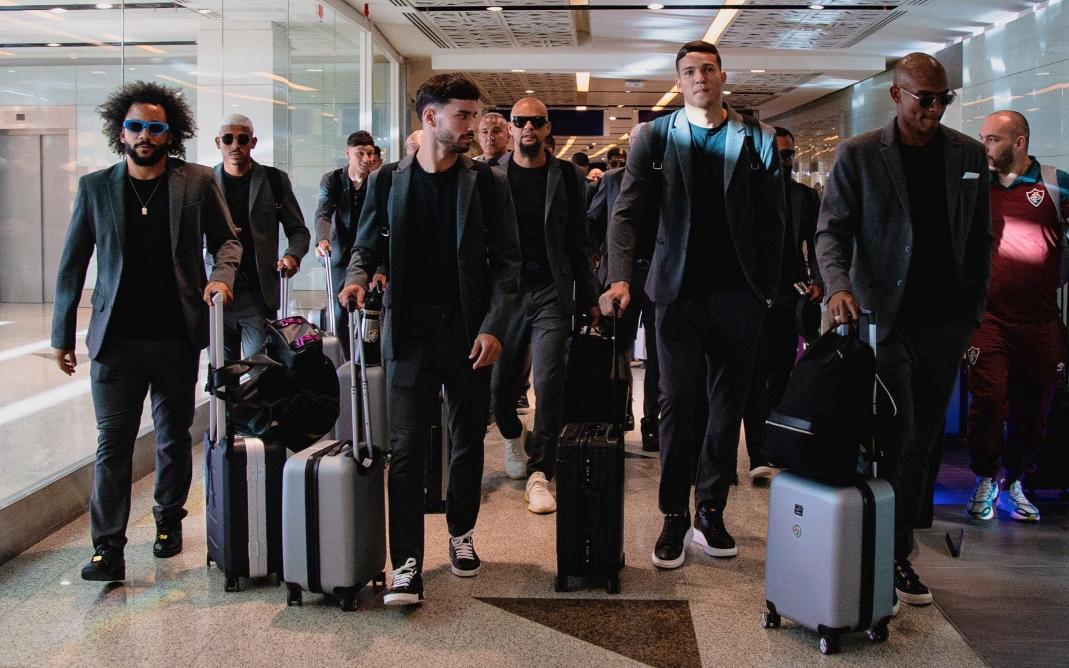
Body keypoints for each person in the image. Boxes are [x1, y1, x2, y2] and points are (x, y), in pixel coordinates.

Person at [600, 40, 786, 569]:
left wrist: (767, 288)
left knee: (727, 411)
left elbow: (776, 220)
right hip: (677, 294)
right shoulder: (655, 138)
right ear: (679, 82)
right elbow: (627, 214)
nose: (700, 77)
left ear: (723, 76)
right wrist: (619, 277)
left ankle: (709, 508)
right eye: (689, 71)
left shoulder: (757, 138)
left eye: (708, 68)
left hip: (739, 295)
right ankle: (672, 516)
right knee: (679, 405)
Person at [338, 74, 521, 606]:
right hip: (410, 333)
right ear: (430, 118)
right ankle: (407, 565)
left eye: (474, 116)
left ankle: (460, 532)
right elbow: (366, 244)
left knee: (467, 442)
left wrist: (493, 327)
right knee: (408, 449)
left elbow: (509, 268)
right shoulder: (388, 181)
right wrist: (355, 276)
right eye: (462, 116)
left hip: (468, 333)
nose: (473, 126)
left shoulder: (487, 184)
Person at [817, 53, 992, 607]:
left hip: (945, 323)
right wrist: (838, 286)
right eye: (925, 99)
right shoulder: (861, 155)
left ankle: (897, 549)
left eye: (944, 99)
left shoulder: (966, 154)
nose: (935, 110)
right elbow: (831, 233)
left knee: (922, 440)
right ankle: (886, 552)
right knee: (897, 434)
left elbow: (982, 236)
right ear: (897, 96)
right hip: (884, 322)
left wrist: (974, 308)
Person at [51, 81, 241, 582]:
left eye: (155, 128)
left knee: (173, 436)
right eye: (135, 127)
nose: (144, 135)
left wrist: (221, 281)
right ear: (121, 132)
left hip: (176, 336)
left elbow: (227, 243)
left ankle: (167, 522)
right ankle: (107, 548)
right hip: (115, 340)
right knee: (112, 442)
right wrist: (62, 334)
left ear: (170, 134)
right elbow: (73, 264)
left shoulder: (196, 182)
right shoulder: (96, 187)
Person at [491, 96, 598, 508]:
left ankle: (541, 471)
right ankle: (513, 437)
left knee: (550, 382)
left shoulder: (568, 177)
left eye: (536, 121)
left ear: (548, 127)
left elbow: (579, 242)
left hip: (551, 292)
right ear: (511, 127)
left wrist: (589, 297)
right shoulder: (491, 175)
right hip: (505, 294)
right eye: (520, 121)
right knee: (500, 390)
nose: (528, 128)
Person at [965, 110, 1068, 523]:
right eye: (983, 138)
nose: (984, 147)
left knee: (1035, 407)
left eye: (993, 140)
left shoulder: (1056, 183)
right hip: (987, 319)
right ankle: (985, 476)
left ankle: (1015, 482)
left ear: (1020, 142)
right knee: (988, 399)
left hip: (1041, 320)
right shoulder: (974, 187)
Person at [741, 126, 823, 482]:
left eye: (789, 155)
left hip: (789, 295)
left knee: (780, 374)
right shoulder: (745, 195)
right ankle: (757, 450)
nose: (785, 161)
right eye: (779, 155)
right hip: (751, 295)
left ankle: (772, 447)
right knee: (751, 375)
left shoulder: (804, 197)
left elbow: (819, 241)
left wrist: (819, 280)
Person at [211, 113, 309, 362]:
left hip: (258, 293)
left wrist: (292, 256)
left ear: (253, 143)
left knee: (260, 372)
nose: (235, 145)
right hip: (217, 292)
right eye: (228, 138)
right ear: (218, 142)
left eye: (242, 139)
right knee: (221, 375)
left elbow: (298, 230)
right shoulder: (205, 182)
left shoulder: (274, 180)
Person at [588, 164, 660, 450]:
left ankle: (652, 422)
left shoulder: (668, 176)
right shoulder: (612, 179)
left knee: (658, 353)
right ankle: (619, 411)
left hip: (659, 274)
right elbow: (593, 220)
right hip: (621, 274)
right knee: (617, 348)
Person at [314, 130, 376, 357]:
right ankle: (346, 358)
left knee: (370, 308)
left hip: (368, 254)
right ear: (347, 153)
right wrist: (322, 239)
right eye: (360, 153)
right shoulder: (331, 180)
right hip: (340, 253)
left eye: (370, 153)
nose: (366, 159)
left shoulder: (377, 181)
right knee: (340, 310)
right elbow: (323, 213)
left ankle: (367, 359)